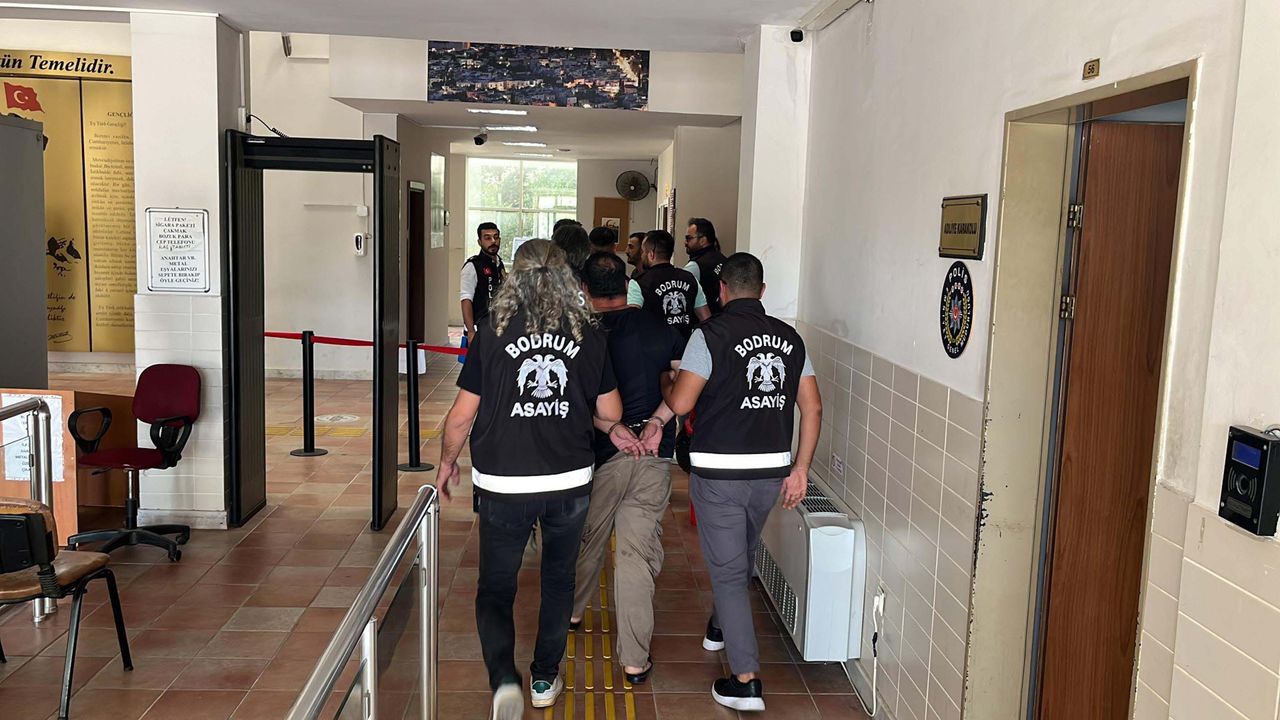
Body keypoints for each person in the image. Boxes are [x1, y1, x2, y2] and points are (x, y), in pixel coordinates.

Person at [437, 239, 642, 720]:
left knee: (496, 587)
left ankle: (504, 680)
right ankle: (545, 677)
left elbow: (461, 416)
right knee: (557, 580)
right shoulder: (588, 332)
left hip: (504, 482)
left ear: (516, 277)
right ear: (567, 277)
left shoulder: (492, 330)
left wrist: (447, 462)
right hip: (569, 480)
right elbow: (610, 411)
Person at [661, 252, 822, 713]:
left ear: (722, 290)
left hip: (719, 473)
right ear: (762, 291)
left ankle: (746, 679)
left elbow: (683, 403)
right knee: (741, 552)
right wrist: (800, 468)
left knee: (730, 569)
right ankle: (720, 626)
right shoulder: (790, 339)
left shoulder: (709, 335)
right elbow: (812, 407)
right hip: (770, 472)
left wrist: (666, 383)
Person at [569, 252, 684, 685]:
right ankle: (635, 660)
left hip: (601, 456)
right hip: (652, 454)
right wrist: (655, 424)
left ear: (585, 289)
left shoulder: (580, 335)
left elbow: (573, 402)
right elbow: (682, 388)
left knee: (588, 540)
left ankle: (572, 613)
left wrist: (613, 428)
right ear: (627, 284)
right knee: (635, 553)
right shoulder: (662, 328)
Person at [628, 229, 710, 338]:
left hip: (653, 345)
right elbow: (706, 319)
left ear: (651, 255)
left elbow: (631, 323)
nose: (642, 256)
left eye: (643, 252)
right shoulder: (690, 278)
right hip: (686, 345)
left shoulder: (638, 283)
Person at [461, 222, 506, 347]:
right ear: (479, 242)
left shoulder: (499, 263)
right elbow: (466, 299)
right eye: (487, 238)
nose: (493, 241)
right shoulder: (472, 266)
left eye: (496, 237)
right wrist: (471, 331)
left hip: (498, 327)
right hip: (479, 327)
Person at [684, 218, 727, 314]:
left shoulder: (695, 266)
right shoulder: (723, 259)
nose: (685, 243)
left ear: (703, 240)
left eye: (689, 238)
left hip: (703, 319)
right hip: (724, 316)